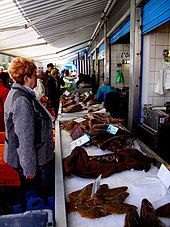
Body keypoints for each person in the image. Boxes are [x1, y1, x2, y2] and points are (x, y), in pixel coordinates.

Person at [4, 57, 55, 211]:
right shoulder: (21, 100)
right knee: (34, 196)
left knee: (34, 194)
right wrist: (29, 168)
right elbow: (24, 138)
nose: (37, 77)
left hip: (27, 158)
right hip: (27, 161)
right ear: (26, 78)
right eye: (34, 75)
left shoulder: (21, 93)